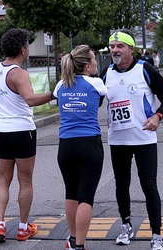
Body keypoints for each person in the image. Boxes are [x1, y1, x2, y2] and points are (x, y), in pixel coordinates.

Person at [100, 29, 163, 250]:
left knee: (149, 186)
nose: (114, 50)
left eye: (119, 46)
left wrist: (158, 116)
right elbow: (93, 99)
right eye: (112, 47)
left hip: (144, 138)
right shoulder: (107, 73)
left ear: (131, 49)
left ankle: (156, 235)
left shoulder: (145, 69)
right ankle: (126, 225)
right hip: (118, 140)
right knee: (122, 185)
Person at [0, 28, 55, 243]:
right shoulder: (19, 73)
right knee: (25, 181)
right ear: (23, 50)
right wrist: (54, 95)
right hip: (22, 130)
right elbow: (30, 99)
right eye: (27, 45)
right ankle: (22, 227)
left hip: (1, 129)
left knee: (3, 179)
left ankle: (0, 224)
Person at [52, 45, 107, 250]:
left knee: (71, 193)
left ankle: (73, 240)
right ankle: (80, 245)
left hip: (66, 146)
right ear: (86, 66)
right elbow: (103, 97)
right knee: (86, 197)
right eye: (93, 60)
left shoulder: (60, 85)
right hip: (89, 144)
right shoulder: (96, 83)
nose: (95, 63)